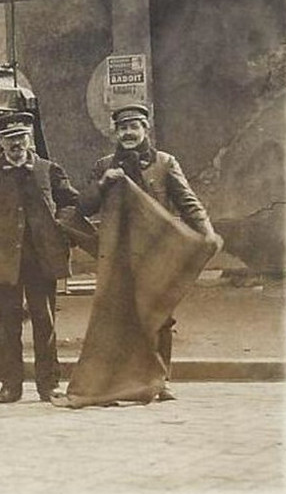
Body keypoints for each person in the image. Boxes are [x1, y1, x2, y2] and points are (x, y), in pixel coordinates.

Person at [78, 102, 220, 400]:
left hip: (157, 253)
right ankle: (123, 381)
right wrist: (104, 184)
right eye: (122, 128)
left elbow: (188, 202)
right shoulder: (104, 166)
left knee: (160, 315)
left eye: (133, 127)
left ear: (145, 129)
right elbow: (84, 206)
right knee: (120, 317)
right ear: (114, 133)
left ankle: (161, 379)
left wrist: (207, 232)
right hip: (119, 256)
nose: (128, 133)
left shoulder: (165, 163)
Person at [0, 111, 80, 405]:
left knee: (45, 321)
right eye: (9, 139)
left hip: (41, 258)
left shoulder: (49, 170)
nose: (16, 144)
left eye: (21, 137)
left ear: (30, 138)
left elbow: (71, 204)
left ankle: (48, 385)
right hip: (2, 260)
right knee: (7, 323)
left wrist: (61, 230)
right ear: (0, 142)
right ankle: (10, 386)